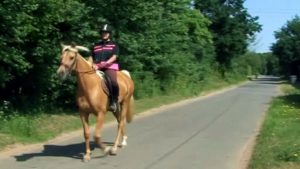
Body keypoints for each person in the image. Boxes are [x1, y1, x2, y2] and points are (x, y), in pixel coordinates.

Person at [91, 24, 120, 112]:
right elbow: (90, 57)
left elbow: (114, 57)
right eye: (103, 33)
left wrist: (106, 63)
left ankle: (114, 102)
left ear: (109, 34)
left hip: (109, 67)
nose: (104, 34)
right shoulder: (95, 45)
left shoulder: (114, 45)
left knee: (113, 82)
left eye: (106, 33)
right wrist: (92, 65)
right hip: (97, 67)